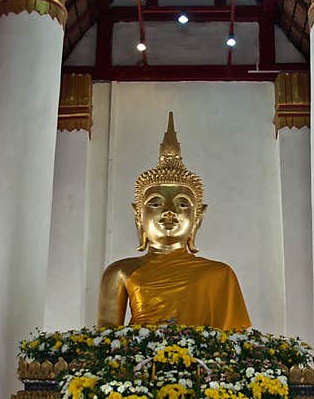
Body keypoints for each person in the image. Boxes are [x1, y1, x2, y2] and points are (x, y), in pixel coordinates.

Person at [97, 112, 251, 330]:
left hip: (203, 363)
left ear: (198, 217)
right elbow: (104, 339)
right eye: (155, 203)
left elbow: (235, 340)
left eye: (182, 204)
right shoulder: (120, 271)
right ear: (138, 216)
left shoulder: (219, 274)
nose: (169, 211)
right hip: (139, 361)